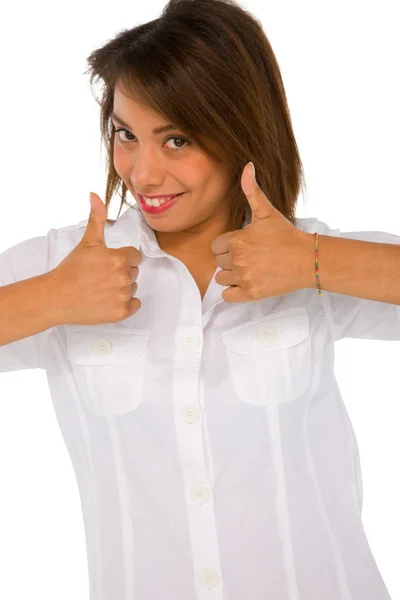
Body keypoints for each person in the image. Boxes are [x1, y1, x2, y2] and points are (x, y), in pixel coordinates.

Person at [1, 0, 399, 598]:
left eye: (177, 139)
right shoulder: (67, 262)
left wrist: (314, 262)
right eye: (126, 136)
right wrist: (51, 298)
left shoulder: (308, 260)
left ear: (240, 132)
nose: (143, 174)